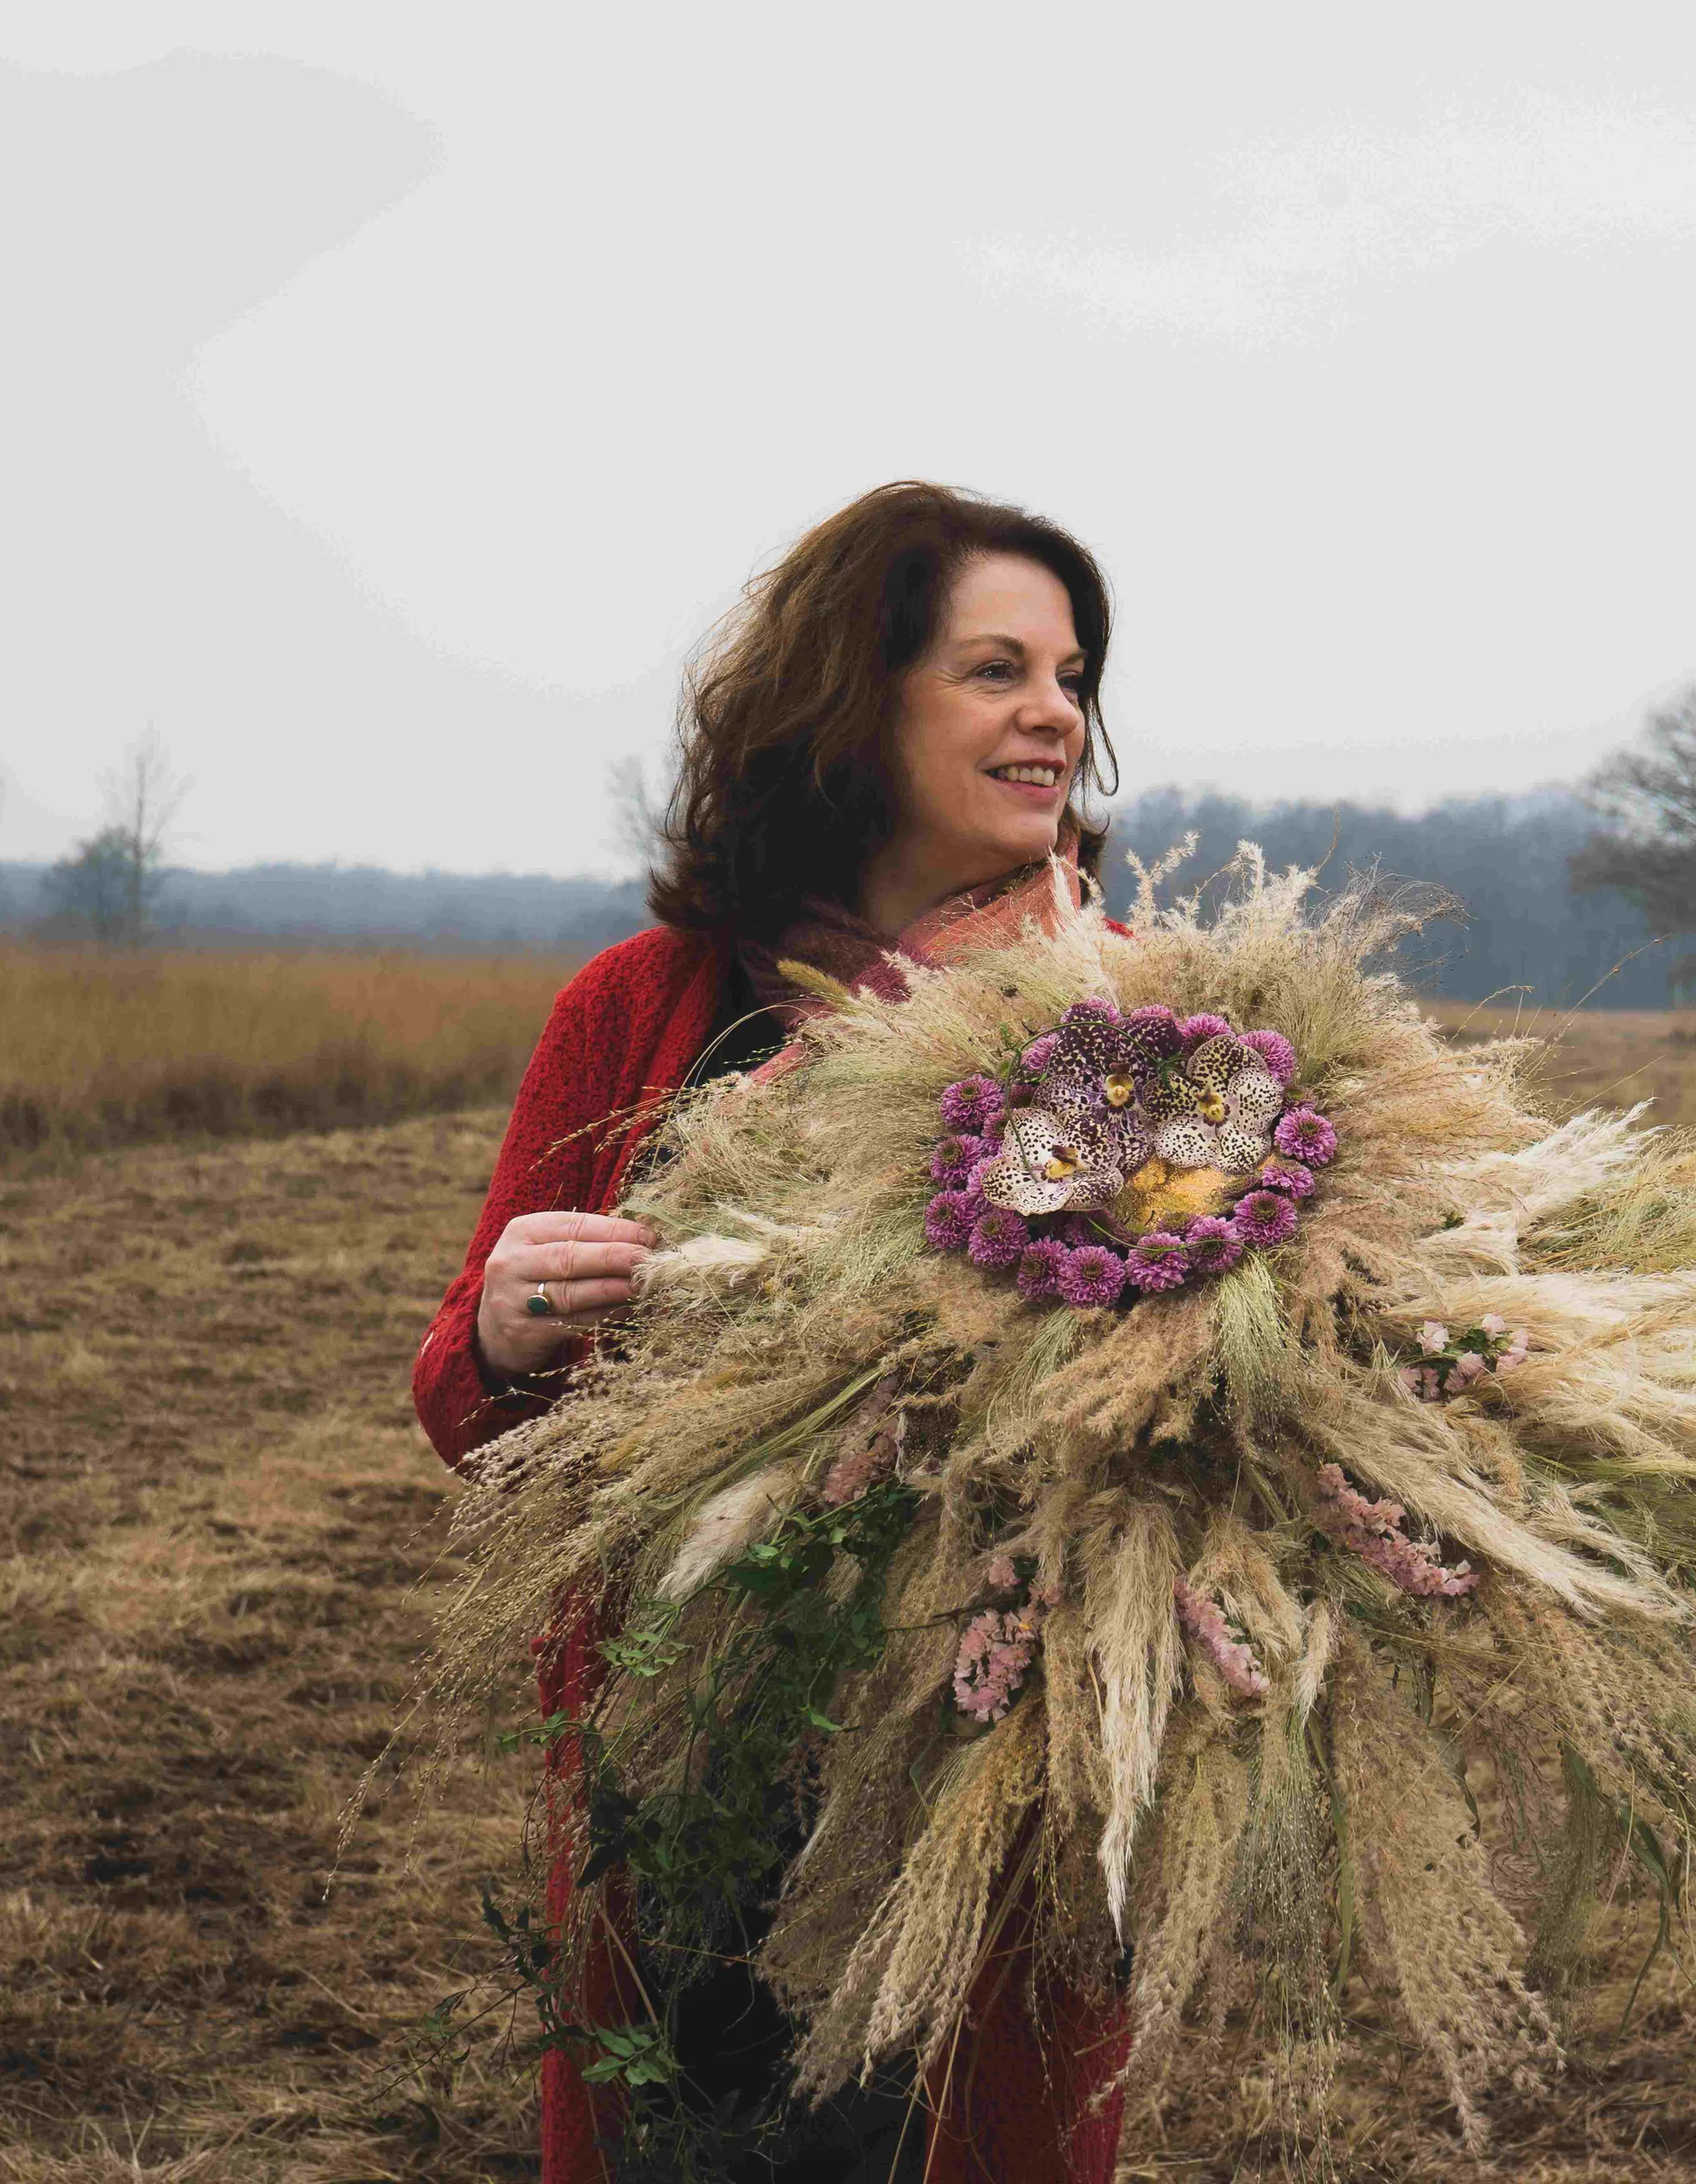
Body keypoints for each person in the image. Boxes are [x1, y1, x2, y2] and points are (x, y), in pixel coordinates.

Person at [413, 482, 1134, 2184]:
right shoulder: (645, 1006)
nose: (1054, 712)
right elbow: (464, 1399)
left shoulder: (1140, 1022)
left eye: (1071, 676)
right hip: (689, 1766)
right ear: (854, 701)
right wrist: (509, 1329)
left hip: (978, 1783)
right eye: (995, 670)